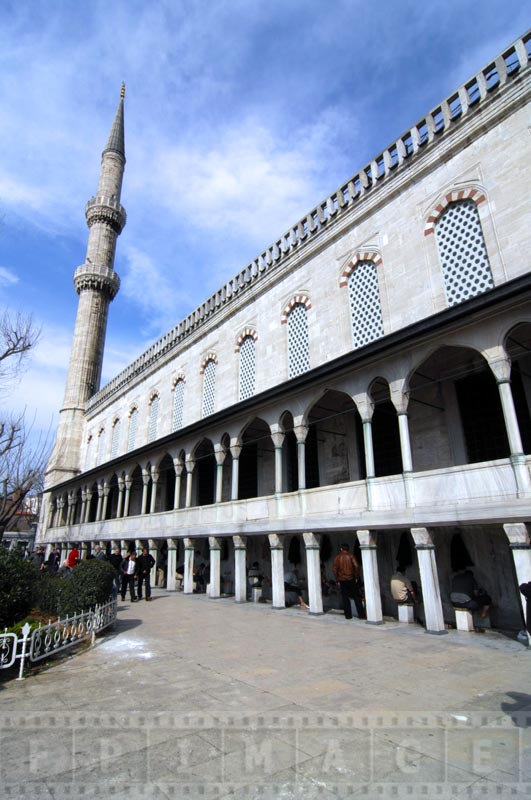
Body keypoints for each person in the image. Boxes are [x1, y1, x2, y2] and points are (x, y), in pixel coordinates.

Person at [333, 543, 366, 620]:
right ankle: (361, 614)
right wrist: (356, 576)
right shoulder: (351, 556)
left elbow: (334, 569)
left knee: (345, 597)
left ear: (341, 549)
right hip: (351, 579)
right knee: (356, 597)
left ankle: (348, 615)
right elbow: (356, 566)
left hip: (342, 579)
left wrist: (337, 578)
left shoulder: (338, 557)